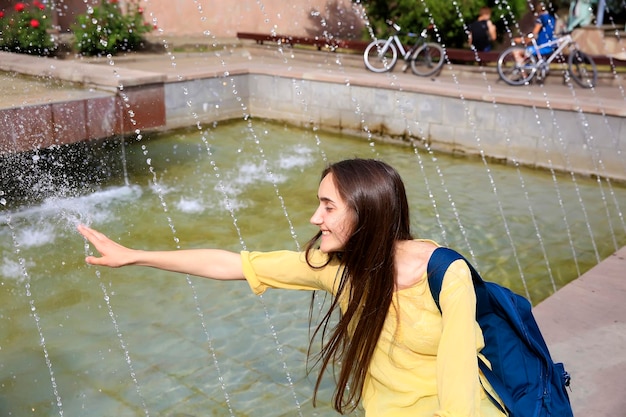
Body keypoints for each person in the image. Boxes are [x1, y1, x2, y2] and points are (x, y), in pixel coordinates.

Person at [77, 158, 506, 417]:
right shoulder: (335, 269)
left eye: (327, 206)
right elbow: (233, 264)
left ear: (365, 214)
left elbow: (458, 378)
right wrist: (135, 255)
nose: (314, 218)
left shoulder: (446, 273)